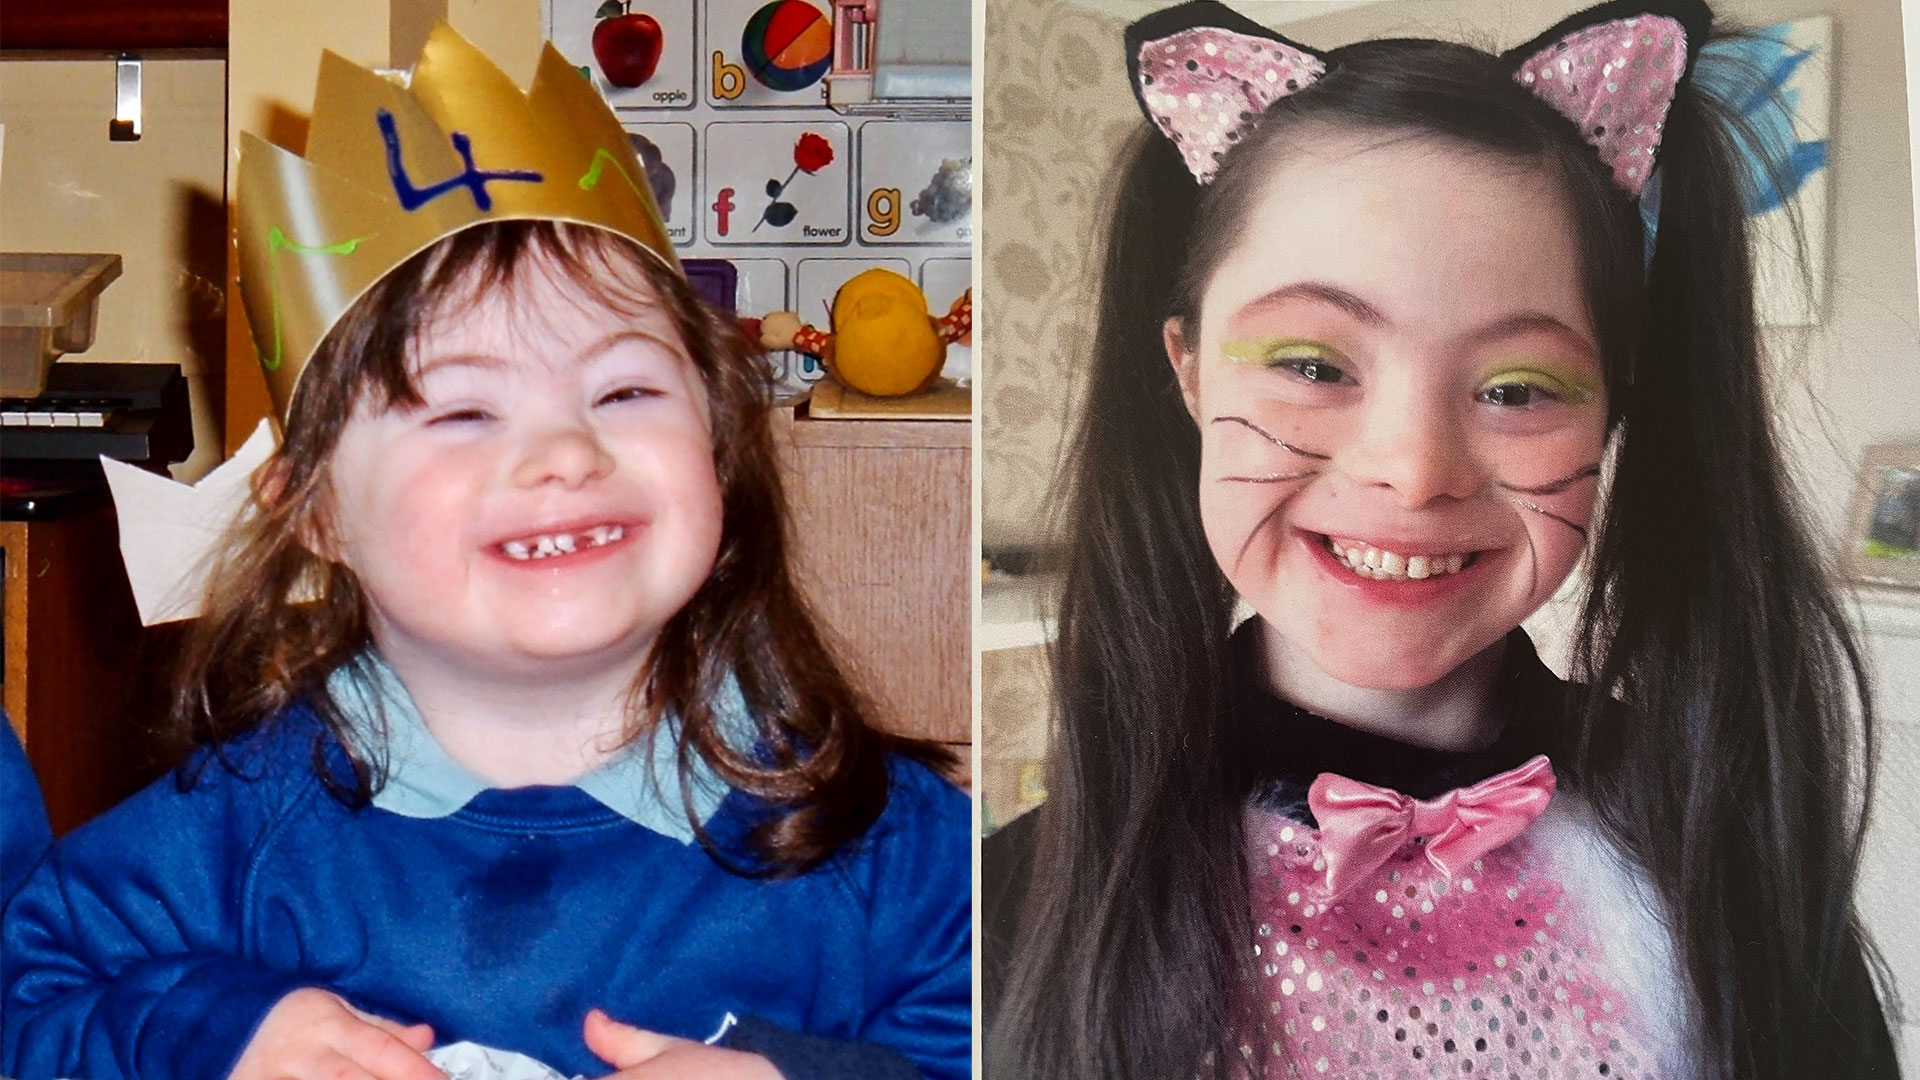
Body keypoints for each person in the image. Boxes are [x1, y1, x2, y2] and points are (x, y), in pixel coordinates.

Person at [4, 26, 968, 1080]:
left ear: (720, 448)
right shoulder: (221, 840)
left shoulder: (898, 852)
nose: (564, 450)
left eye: (626, 392)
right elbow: (30, 1010)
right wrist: (209, 1037)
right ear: (317, 513)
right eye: (461, 411)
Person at [983, 1, 1897, 1077]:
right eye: (1314, 367)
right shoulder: (1010, 909)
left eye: (1516, 388)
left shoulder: (1724, 855)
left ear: (1612, 412)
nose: (1414, 470)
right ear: (1188, 371)